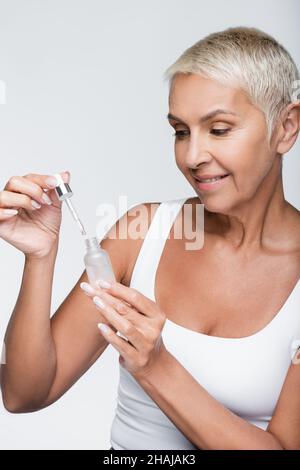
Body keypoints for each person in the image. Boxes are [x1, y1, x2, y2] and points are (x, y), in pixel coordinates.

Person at [1, 26, 300, 450]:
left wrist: (156, 366)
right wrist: (40, 257)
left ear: (286, 127)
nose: (193, 156)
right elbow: (24, 393)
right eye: (181, 131)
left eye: (218, 129)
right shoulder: (142, 234)